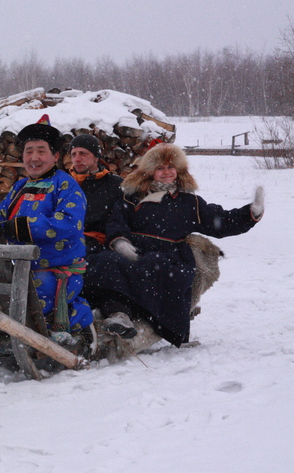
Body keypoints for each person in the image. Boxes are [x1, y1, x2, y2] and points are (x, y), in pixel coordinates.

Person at [84, 143, 263, 346]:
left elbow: (219, 221)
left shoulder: (189, 202)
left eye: (170, 167)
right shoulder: (132, 197)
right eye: (160, 168)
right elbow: (117, 221)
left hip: (169, 256)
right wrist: (120, 241)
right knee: (104, 261)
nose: (166, 172)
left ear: (178, 171)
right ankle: (118, 313)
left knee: (156, 266)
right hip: (134, 248)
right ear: (150, 172)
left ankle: (152, 321)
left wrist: (249, 214)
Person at [0, 119, 93, 342]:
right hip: (21, 266)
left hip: (57, 270)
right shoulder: (19, 187)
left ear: (55, 156)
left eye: (41, 151)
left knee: (33, 295)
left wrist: (22, 227)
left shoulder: (66, 185)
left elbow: (68, 223)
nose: (34, 158)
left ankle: (70, 322)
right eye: (28, 151)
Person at [68, 134, 123, 255]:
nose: (77, 159)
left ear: (96, 157)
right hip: (65, 244)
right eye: (73, 154)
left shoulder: (115, 185)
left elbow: (119, 222)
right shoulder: (64, 184)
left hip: (101, 249)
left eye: (83, 153)